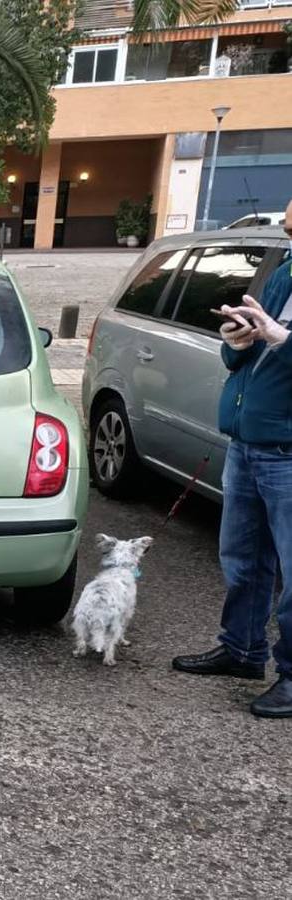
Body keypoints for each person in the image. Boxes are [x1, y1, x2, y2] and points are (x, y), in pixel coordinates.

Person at [173, 200, 292, 718]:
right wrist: (236, 340)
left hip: (287, 451)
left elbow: (281, 342)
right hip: (249, 442)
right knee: (243, 559)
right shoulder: (286, 271)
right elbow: (247, 352)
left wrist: (281, 338)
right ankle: (243, 650)